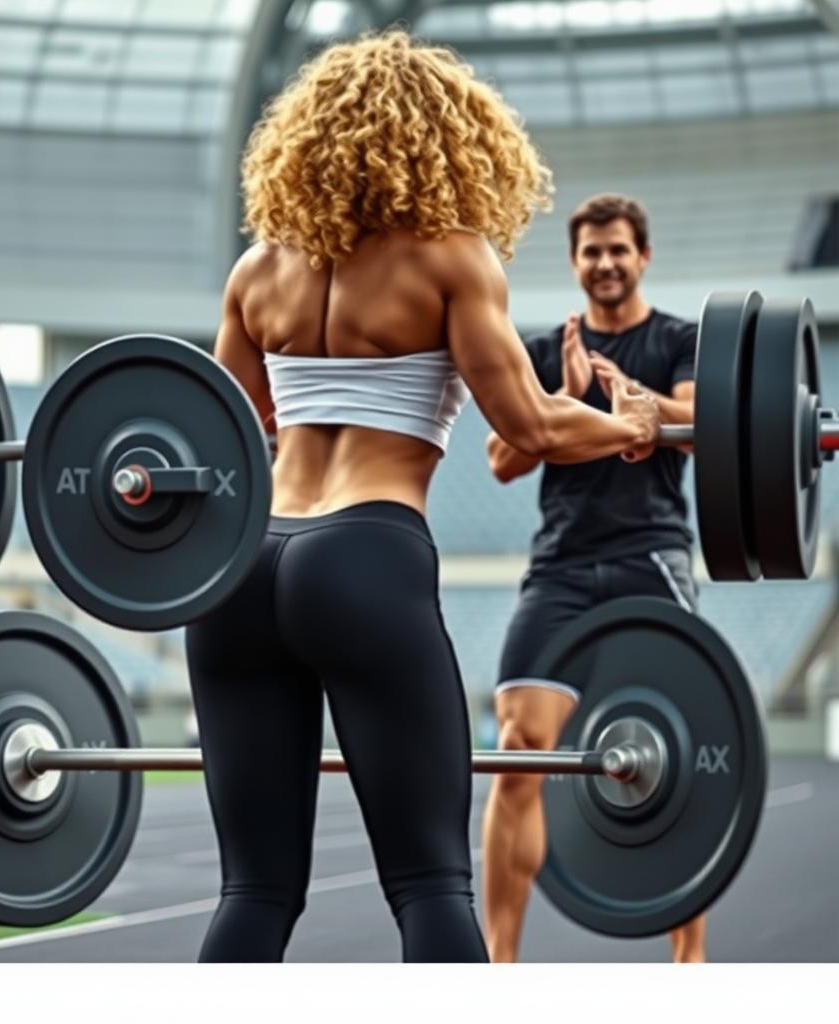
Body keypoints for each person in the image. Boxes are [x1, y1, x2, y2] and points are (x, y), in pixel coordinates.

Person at [183, 32, 660, 963]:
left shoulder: (257, 271)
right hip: (363, 554)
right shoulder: (452, 257)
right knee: (430, 886)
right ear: (448, 138)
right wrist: (629, 426)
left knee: (255, 890)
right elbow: (533, 427)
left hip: (240, 569)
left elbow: (221, 438)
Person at [480, 193, 705, 963]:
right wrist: (567, 397)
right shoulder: (546, 353)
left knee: (684, 745)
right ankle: (498, 965)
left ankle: (689, 956)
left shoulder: (679, 339)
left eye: (618, 250)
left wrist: (641, 404)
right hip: (563, 567)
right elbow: (503, 461)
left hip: (653, 556)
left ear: (642, 257)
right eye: (591, 251)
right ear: (575, 263)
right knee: (518, 748)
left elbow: (697, 425)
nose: (605, 263)